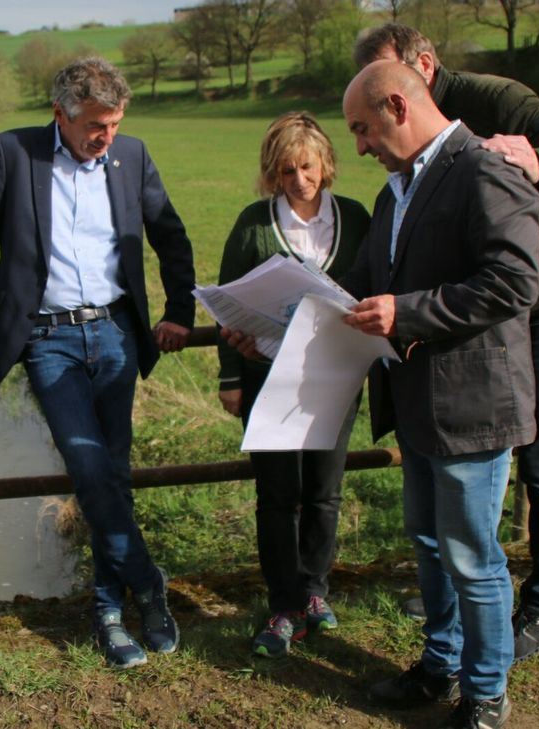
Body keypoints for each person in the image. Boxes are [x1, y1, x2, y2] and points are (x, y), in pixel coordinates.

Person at [354, 24, 539, 662]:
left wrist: (535, 161)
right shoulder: (403, 179)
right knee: (443, 519)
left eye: (364, 123)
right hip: (464, 312)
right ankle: (455, 632)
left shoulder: (495, 108)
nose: (359, 144)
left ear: (413, 80)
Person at [0, 57, 195, 670]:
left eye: (113, 123)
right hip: (47, 338)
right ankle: (149, 584)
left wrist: (179, 307)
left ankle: (110, 610)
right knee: (89, 465)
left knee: (113, 474)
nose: (105, 136)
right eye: (94, 126)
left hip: (116, 334)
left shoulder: (132, 156)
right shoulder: (13, 153)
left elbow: (171, 235)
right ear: (61, 114)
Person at [340, 61, 539, 729]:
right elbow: (371, 279)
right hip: (417, 402)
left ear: (397, 105)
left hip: (473, 405)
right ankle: (439, 663)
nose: (360, 146)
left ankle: (485, 693)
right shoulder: (393, 193)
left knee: (470, 554)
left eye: (363, 128)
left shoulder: (482, 169)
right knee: (427, 541)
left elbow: (513, 281)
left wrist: (408, 312)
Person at [215, 112, 370, 658]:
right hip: (266, 378)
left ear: (324, 164)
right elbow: (228, 305)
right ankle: (282, 603)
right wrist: (231, 375)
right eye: (286, 171)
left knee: (324, 492)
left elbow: (373, 285)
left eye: (306, 167)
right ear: (272, 174)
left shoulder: (354, 217)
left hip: (336, 377)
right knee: (277, 496)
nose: (299, 180)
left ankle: (314, 593)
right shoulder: (254, 223)